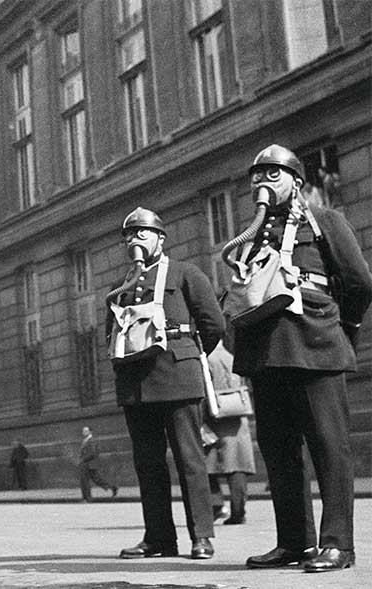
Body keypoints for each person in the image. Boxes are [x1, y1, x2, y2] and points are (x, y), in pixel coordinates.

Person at [230, 145, 372, 572]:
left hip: (315, 342)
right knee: (279, 449)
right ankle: (294, 542)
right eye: (257, 176)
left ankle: (337, 545)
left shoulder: (325, 221)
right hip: (266, 352)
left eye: (273, 174)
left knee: (329, 446)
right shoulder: (251, 233)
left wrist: (343, 329)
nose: (262, 183)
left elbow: (359, 281)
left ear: (295, 180)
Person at [106, 207, 224, 560]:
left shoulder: (186, 274)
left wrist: (187, 356)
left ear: (160, 238)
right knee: (148, 463)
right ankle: (158, 537)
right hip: (136, 383)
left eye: (141, 233)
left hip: (177, 376)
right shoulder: (120, 286)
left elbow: (214, 325)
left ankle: (201, 536)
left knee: (190, 459)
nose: (134, 241)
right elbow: (109, 332)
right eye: (129, 235)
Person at [202, 339, 255, 525]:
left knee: (207, 466)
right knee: (237, 466)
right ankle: (238, 511)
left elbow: (202, 392)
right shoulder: (232, 357)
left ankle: (216, 506)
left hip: (214, 417)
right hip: (238, 418)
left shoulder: (206, 360)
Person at [79, 426, 118, 501]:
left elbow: (93, 453)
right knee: (97, 480)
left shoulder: (91, 440)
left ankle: (87, 498)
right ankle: (113, 487)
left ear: (90, 432)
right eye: (83, 431)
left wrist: (83, 460)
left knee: (85, 481)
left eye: (86, 431)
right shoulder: (85, 440)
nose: (84, 432)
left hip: (89, 464)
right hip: (87, 464)